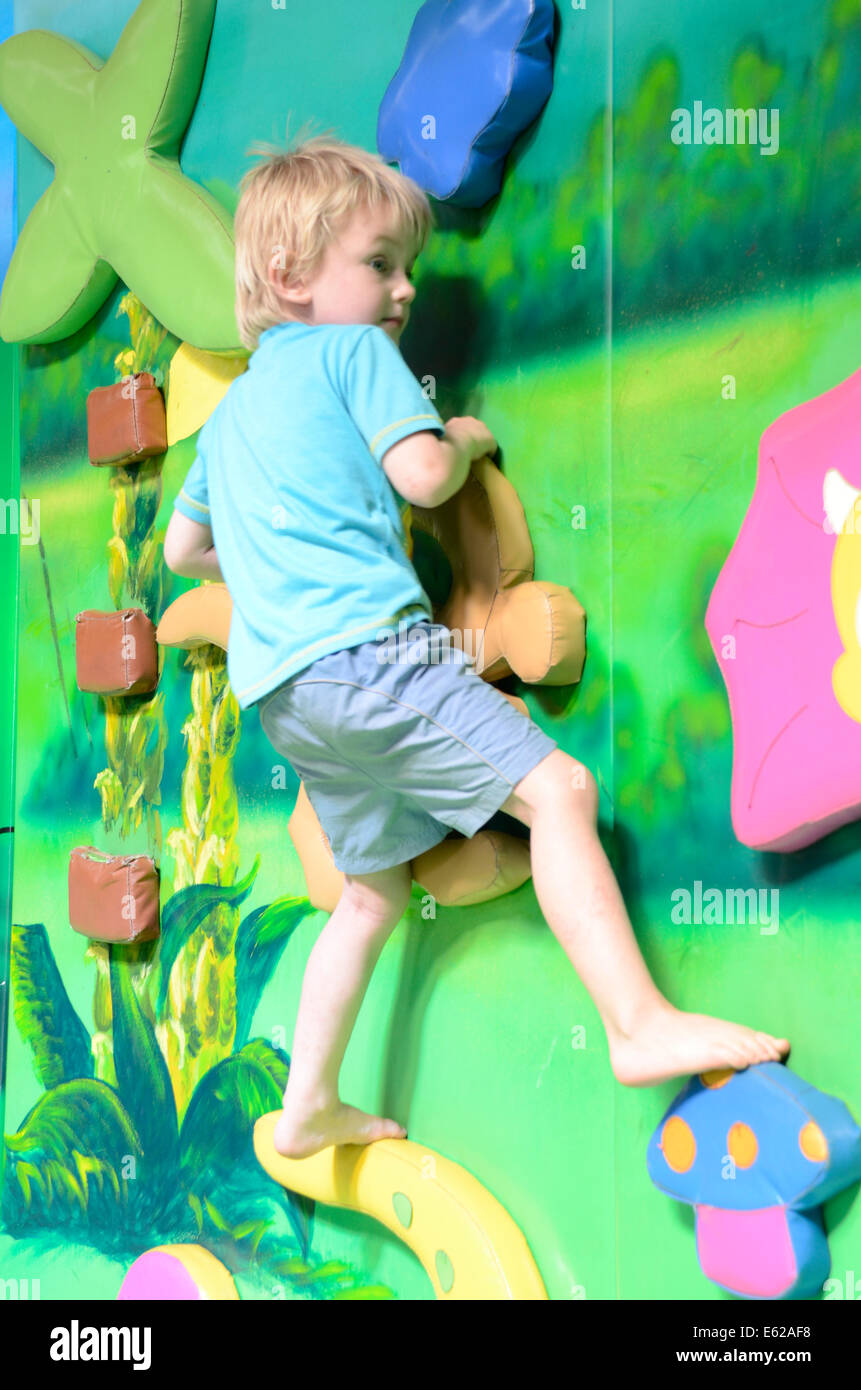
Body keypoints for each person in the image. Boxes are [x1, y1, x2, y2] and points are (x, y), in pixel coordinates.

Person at [164, 131, 789, 1161]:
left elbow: (188, 546)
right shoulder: (355, 354)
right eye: (379, 264)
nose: (404, 289)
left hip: (286, 697)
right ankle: (636, 1021)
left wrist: (279, 561)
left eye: (408, 267)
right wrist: (462, 438)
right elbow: (422, 479)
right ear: (291, 275)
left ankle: (309, 1103)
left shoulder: (229, 419)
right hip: (367, 657)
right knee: (562, 794)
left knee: (369, 894)